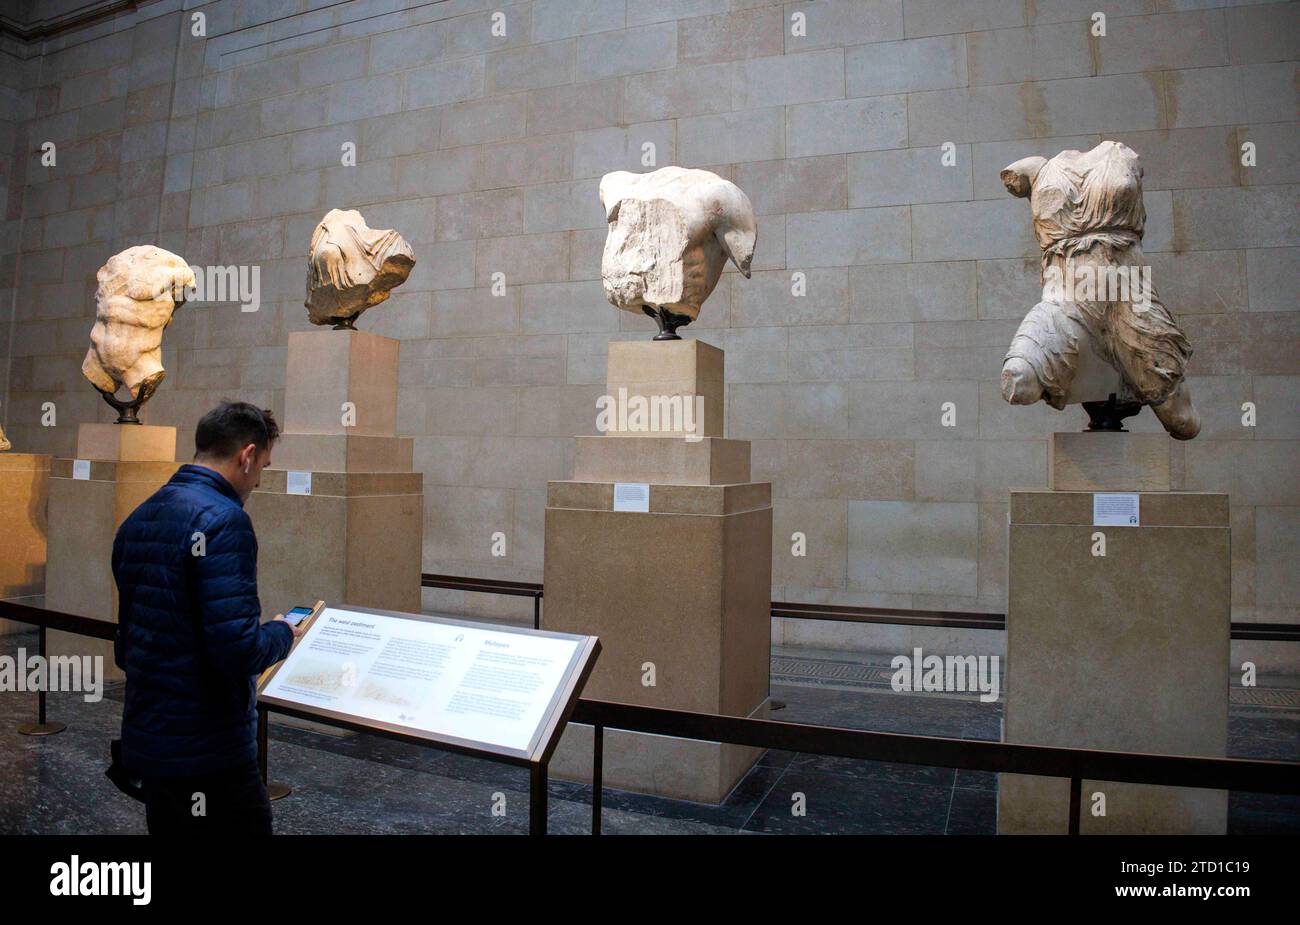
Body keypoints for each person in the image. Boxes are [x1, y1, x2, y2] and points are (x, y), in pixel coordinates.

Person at [112, 401, 301, 834]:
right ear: (247, 455)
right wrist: (282, 633)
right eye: (263, 467)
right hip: (208, 749)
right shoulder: (224, 521)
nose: (257, 480)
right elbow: (238, 649)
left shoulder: (140, 517)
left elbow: (128, 644)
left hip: (152, 738)